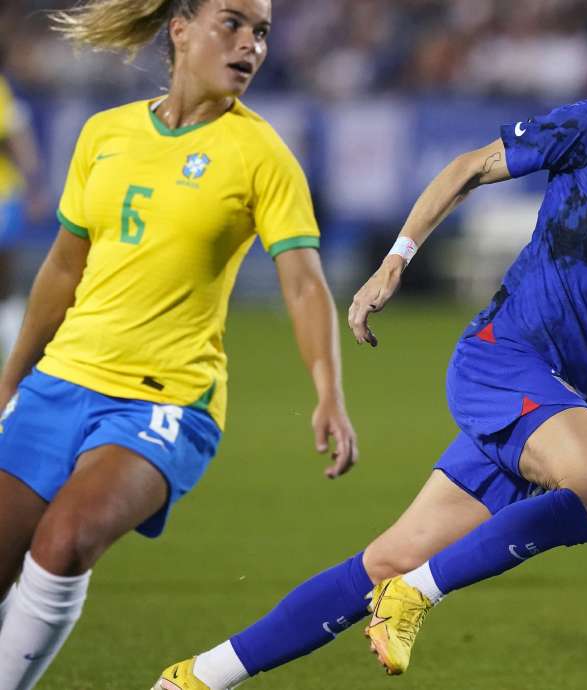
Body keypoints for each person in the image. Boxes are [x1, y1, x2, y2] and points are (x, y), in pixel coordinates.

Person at [154, 1, 587, 687]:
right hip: (502, 359)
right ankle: (417, 594)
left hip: (557, 400)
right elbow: (470, 168)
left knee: (384, 561)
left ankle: (199, 676)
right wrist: (396, 260)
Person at [0, 1, 358, 687]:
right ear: (181, 28)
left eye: (262, 32)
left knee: (65, 541)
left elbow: (306, 285)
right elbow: (63, 268)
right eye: (234, 23)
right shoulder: (104, 134)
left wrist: (329, 394)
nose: (251, 45)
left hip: (165, 402)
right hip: (60, 383)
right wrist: (13, 375)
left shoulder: (262, 155)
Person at [0, 73, 41, 364]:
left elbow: (16, 132)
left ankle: (13, 340)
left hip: (2, 192)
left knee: (5, 275)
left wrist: (34, 184)